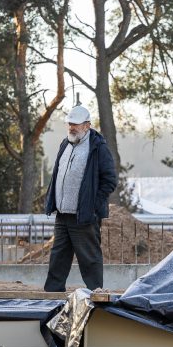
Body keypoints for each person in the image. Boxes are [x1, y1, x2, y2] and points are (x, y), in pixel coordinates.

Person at [43, 105, 117, 292]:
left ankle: (96, 294)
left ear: (87, 125)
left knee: (89, 258)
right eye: (69, 124)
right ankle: (53, 295)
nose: (72, 128)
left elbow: (109, 180)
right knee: (58, 256)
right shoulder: (65, 144)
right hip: (63, 214)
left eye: (75, 124)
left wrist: (92, 206)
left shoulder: (98, 148)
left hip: (84, 215)